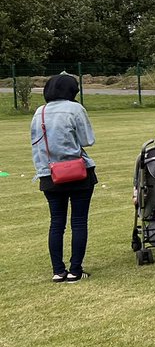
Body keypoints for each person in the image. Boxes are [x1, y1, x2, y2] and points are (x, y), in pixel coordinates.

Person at [31, 74, 97, 282]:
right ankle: (75, 269)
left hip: (50, 174)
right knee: (79, 222)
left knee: (56, 223)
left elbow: (36, 144)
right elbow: (88, 140)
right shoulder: (75, 109)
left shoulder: (39, 112)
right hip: (78, 172)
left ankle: (58, 270)